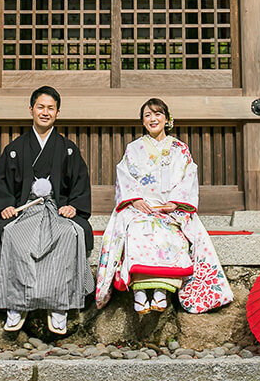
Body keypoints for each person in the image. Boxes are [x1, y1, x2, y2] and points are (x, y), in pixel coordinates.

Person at [94, 98, 232, 314]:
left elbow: (189, 177)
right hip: (140, 208)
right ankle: (139, 294)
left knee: (171, 235)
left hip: (171, 209)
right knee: (137, 232)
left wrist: (175, 202)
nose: (153, 119)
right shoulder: (134, 148)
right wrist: (135, 199)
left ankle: (161, 292)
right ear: (142, 121)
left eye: (157, 114)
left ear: (167, 119)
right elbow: (125, 176)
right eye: (148, 115)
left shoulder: (180, 148)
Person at [0, 85, 94, 335]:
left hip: (57, 208)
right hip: (24, 209)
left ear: (58, 113)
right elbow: (1, 183)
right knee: (11, 236)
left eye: (50, 108)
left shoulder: (68, 148)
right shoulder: (15, 148)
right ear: (31, 109)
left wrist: (73, 207)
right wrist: (6, 206)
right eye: (40, 107)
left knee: (69, 235)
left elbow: (79, 183)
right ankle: (16, 305)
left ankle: (59, 307)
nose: (45, 112)